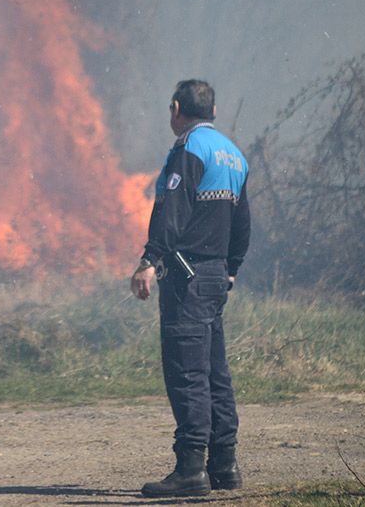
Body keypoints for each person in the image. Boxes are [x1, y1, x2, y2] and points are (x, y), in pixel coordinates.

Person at [130, 79, 251, 498]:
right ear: (214, 112)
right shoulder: (234, 155)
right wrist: (231, 267)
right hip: (217, 275)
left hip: (187, 277)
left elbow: (172, 211)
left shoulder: (188, 150)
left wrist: (150, 260)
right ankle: (224, 464)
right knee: (215, 371)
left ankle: (190, 470)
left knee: (187, 372)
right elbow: (243, 223)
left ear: (177, 108)